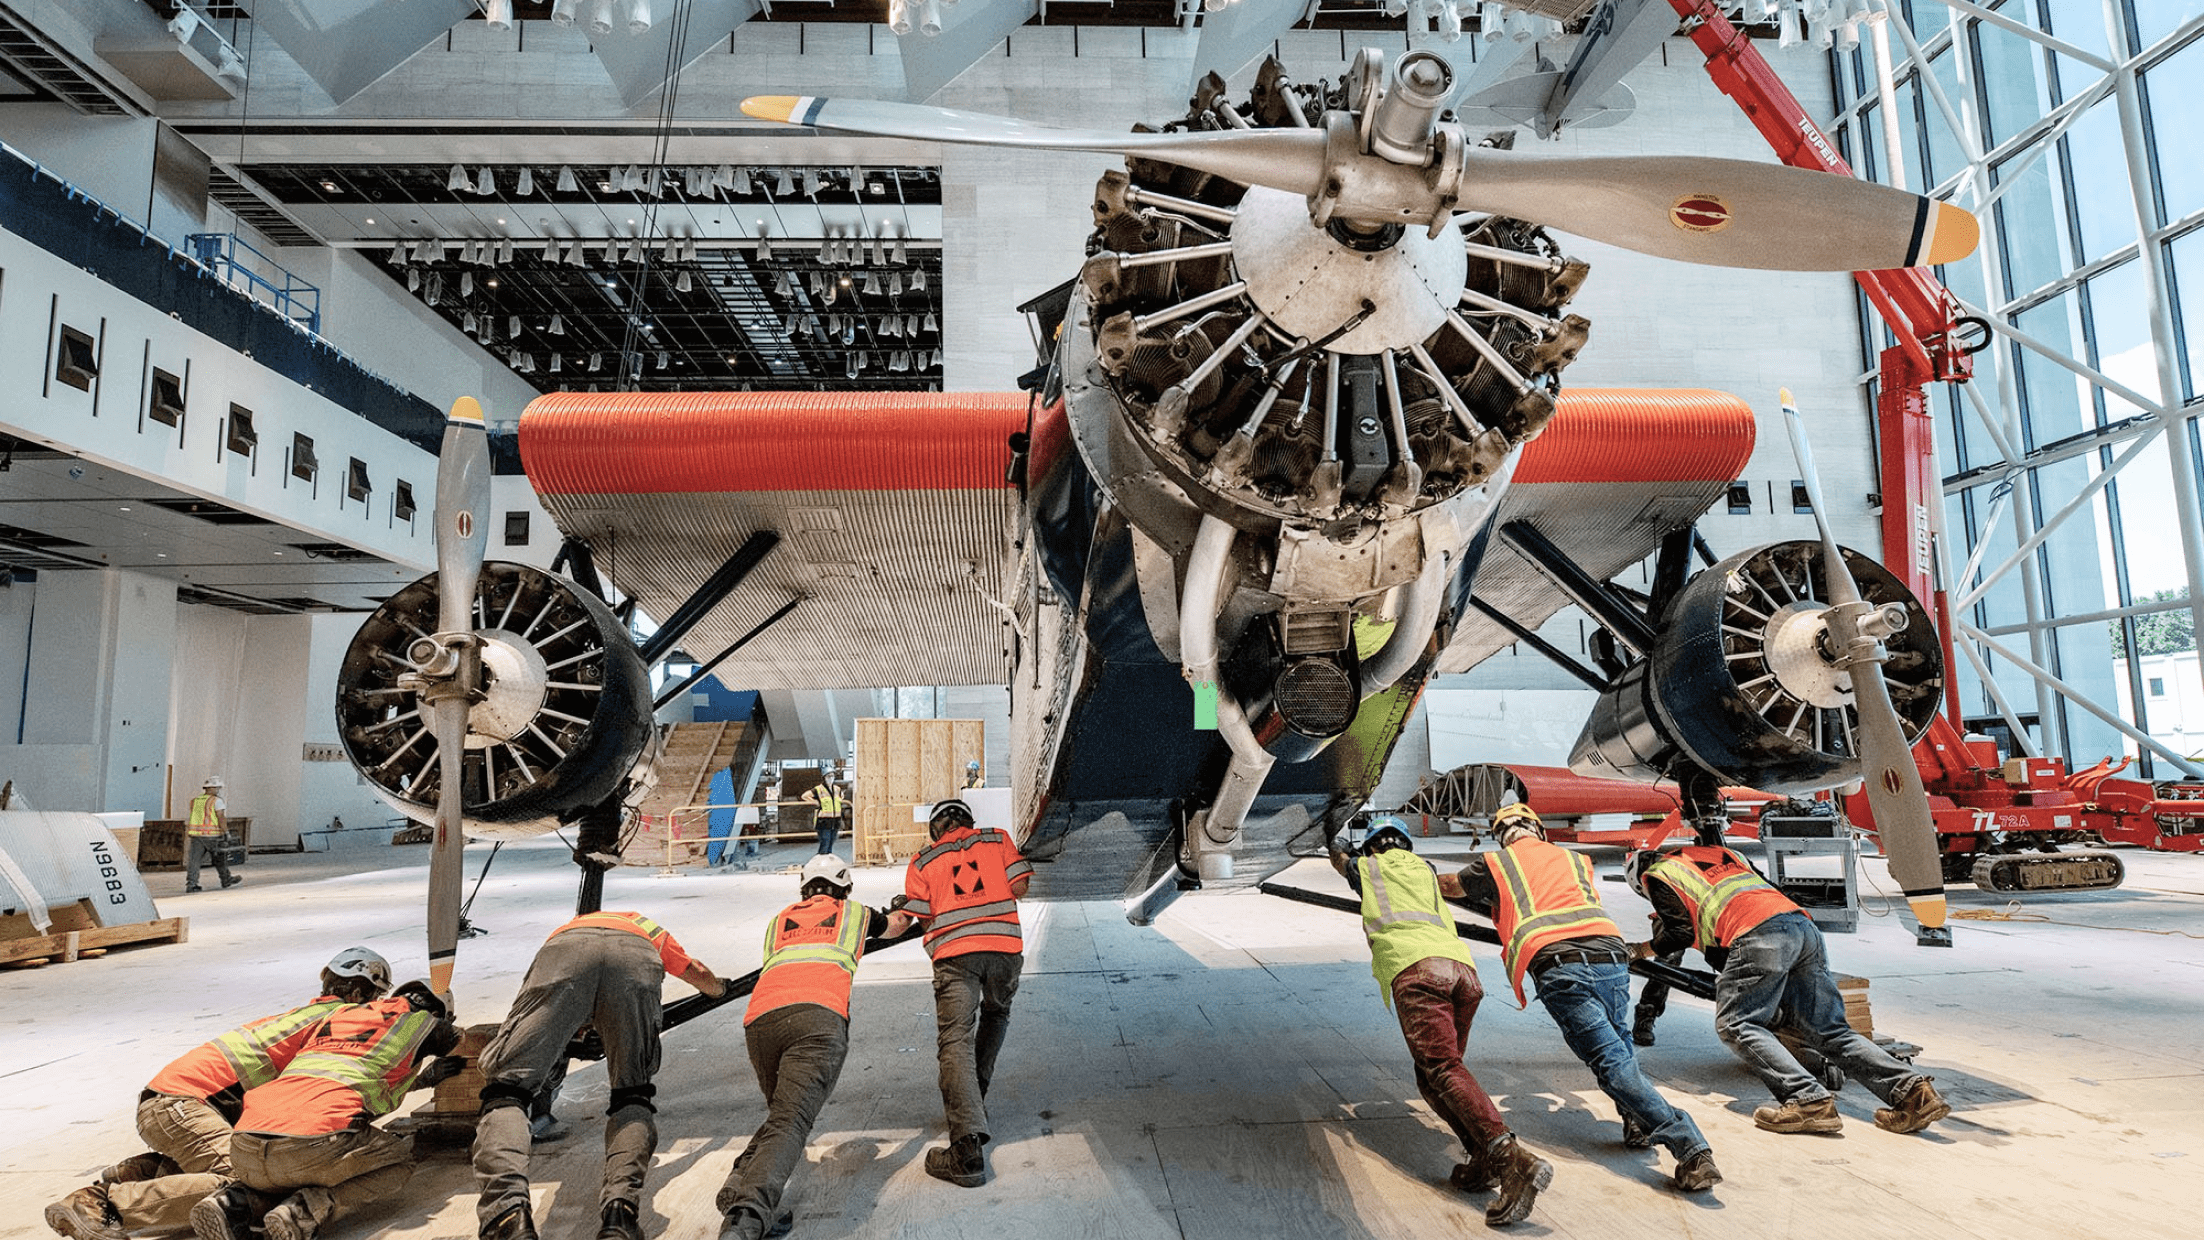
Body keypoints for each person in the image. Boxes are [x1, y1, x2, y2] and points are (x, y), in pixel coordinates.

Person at [1439, 805, 1720, 1193]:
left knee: (1611, 1063)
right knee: (1620, 1047)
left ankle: (1691, 1148)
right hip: (1610, 957)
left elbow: (1450, 886)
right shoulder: (1574, 859)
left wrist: (1403, 872)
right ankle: (1636, 1121)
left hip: (1562, 966)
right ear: (1538, 829)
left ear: (1500, 834)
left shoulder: (1497, 863)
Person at [41, 949, 392, 1240]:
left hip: (174, 1102)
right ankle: (102, 1203)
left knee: (254, 1165)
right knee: (246, 1183)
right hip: (184, 1104)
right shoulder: (338, 1021)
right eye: (377, 1000)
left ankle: (150, 1171)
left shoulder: (304, 1015)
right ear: (360, 996)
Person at [1626, 844, 1952, 1136]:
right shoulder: (1723, 855)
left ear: (1640, 878)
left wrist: (1640, 950)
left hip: (1756, 934)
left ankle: (1807, 1101)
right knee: (1828, 1029)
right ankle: (1913, 1093)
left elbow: (1679, 933)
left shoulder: (1658, 875)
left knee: (1737, 1024)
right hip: (1801, 928)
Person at [1329, 815, 1551, 1228]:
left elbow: (1339, 858)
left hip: (1417, 971)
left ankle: (1510, 1158)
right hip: (1463, 975)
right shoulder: (1426, 870)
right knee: (1438, 1076)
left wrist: (1334, 831)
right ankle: (1482, 1157)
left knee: (1443, 1069)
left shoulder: (1369, 867)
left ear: (1374, 846)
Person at [473, 910, 727, 1240]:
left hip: (564, 956)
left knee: (508, 1090)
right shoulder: (642, 925)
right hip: (634, 960)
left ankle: (506, 1215)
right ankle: (620, 1216)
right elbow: (697, 972)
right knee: (631, 1093)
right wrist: (719, 989)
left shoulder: (570, 927)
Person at [716, 856, 913, 1240]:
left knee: (783, 1114)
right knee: (791, 1119)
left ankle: (742, 1175)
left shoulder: (780, 920)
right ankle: (747, 1216)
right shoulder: (854, 912)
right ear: (845, 888)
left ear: (805, 889)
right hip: (817, 1020)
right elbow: (896, 927)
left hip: (761, 1023)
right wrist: (901, 907)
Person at [224, 981, 464, 1240]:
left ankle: (235, 1201)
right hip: (305, 1149)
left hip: (243, 1146)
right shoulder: (421, 1022)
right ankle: (304, 1210)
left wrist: (423, 1079)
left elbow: (357, 1071)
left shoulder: (339, 1016)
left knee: (309, 1149)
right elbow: (457, 1039)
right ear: (438, 1012)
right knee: (400, 1162)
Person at [902, 797, 1030, 1188]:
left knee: (955, 1040)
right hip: (1005, 950)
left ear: (935, 829)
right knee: (997, 1014)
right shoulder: (996, 839)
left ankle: (966, 1149)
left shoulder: (922, 860)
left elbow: (919, 915)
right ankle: (975, 1097)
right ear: (970, 822)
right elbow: (1020, 885)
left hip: (956, 956)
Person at [184, 776, 240, 893]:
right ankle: (226, 879)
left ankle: (191, 884)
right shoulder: (216, 801)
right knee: (220, 859)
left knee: (194, 861)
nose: (218, 790)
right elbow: (220, 817)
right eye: (217, 788)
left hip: (196, 835)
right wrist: (226, 832)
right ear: (212, 788)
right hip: (212, 835)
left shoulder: (195, 801)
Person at [801, 771, 847, 857]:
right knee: (825, 842)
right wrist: (815, 802)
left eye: (832, 776)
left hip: (835, 819)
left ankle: (827, 860)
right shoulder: (818, 789)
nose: (830, 778)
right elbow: (804, 796)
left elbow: (841, 797)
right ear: (824, 778)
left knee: (831, 841)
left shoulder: (837, 789)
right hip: (823, 819)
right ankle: (821, 860)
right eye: (828, 776)